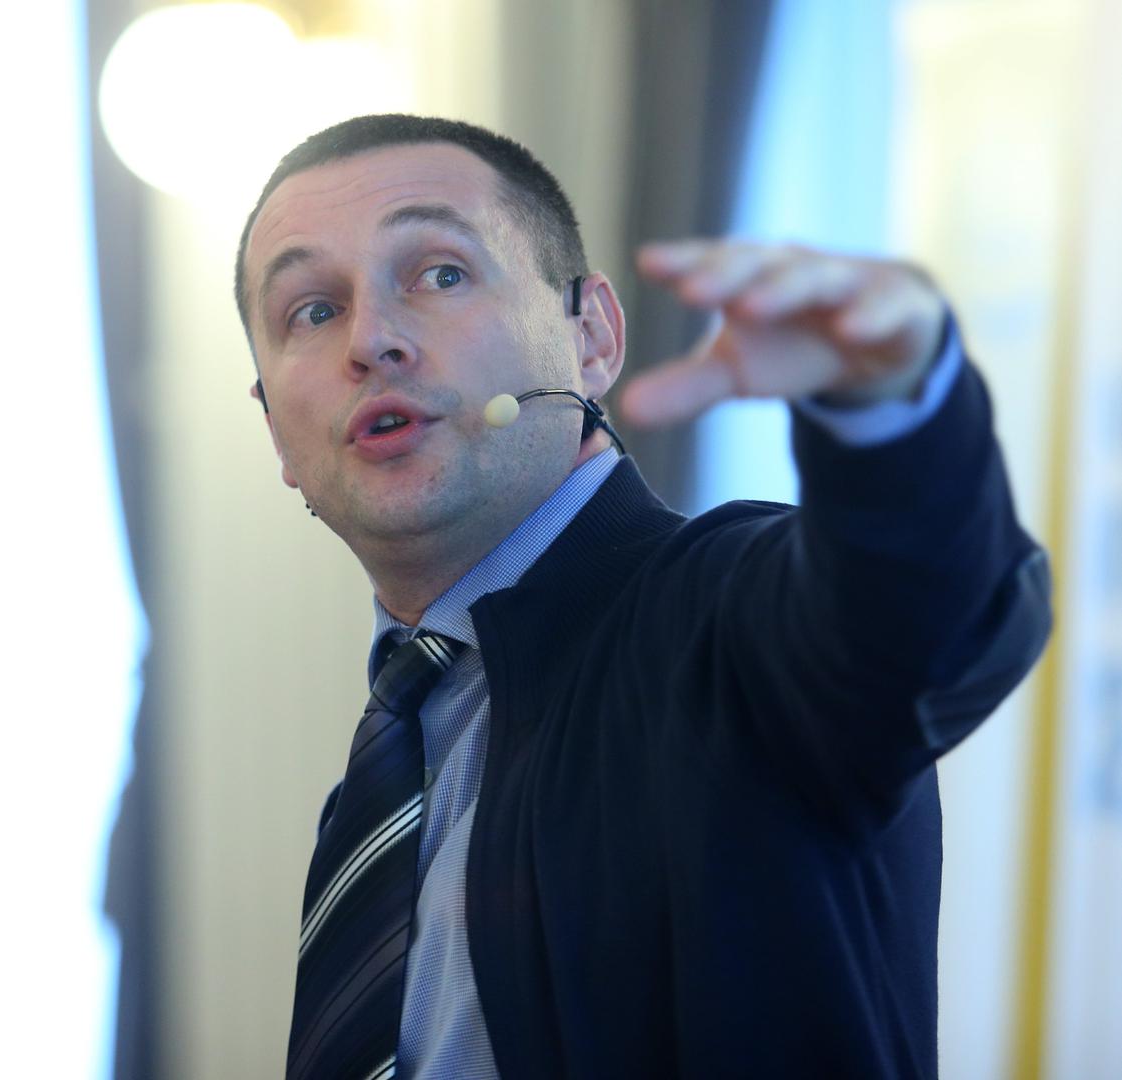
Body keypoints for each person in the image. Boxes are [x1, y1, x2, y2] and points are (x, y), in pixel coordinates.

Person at [234, 114, 1052, 1079]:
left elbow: (929, 618)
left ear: (591, 337)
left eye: (440, 274)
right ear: (276, 433)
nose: (371, 339)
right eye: (311, 311)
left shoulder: (725, 624)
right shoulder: (381, 785)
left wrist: (895, 413)